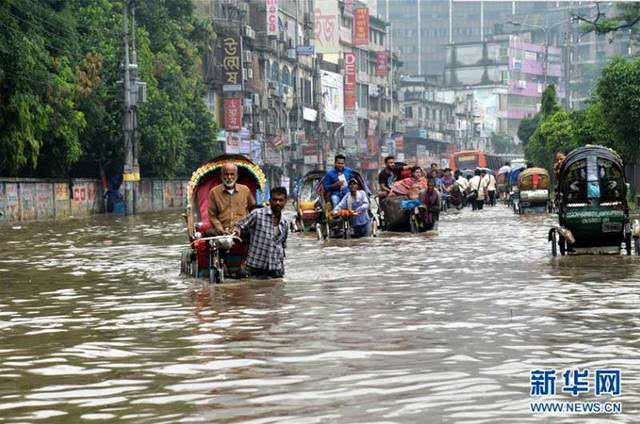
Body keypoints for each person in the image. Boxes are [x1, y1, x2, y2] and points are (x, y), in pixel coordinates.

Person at [234, 186, 288, 279]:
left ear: (285, 201)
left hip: (275, 268)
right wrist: (236, 231)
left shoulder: (285, 222)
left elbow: (282, 246)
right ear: (270, 201)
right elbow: (241, 225)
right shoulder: (257, 214)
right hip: (256, 267)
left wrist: (282, 267)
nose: (277, 203)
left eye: (280, 200)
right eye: (275, 200)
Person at [208, 162, 256, 235]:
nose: (229, 177)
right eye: (226, 174)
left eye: (232, 174)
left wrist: (241, 226)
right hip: (222, 231)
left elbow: (253, 210)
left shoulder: (245, 190)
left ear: (237, 176)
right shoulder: (214, 192)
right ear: (221, 176)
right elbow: (213, 216)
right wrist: (220, 229)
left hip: (242, 230)